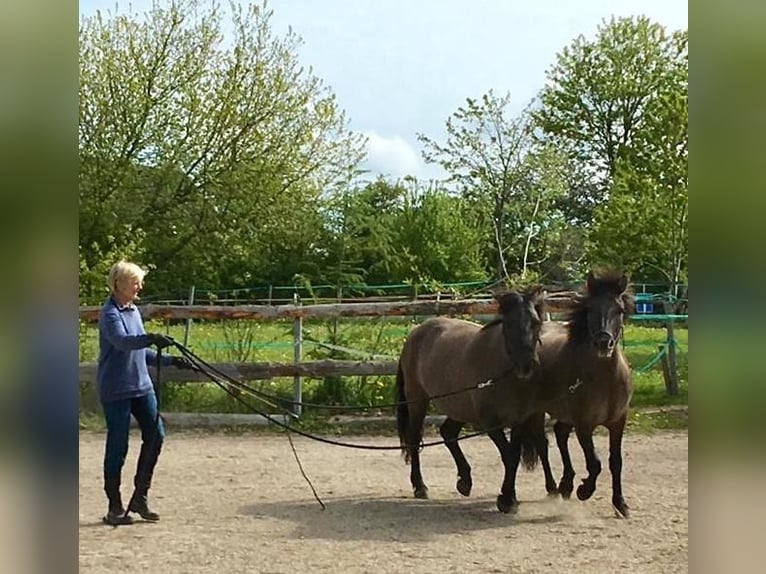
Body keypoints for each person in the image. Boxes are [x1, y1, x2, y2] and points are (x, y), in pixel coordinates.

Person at [97, 260, 194, 525]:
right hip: (117, 388)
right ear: (119, 284)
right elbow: (122, 342)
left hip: (141, 386)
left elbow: (140, 351)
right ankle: (114, 505)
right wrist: (150, 337)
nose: (140, 286)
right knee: (118, 444)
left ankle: (140, 496)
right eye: (135, 281)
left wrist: (169, 360)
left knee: (156, 435)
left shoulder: (133, 311)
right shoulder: (110, 314)